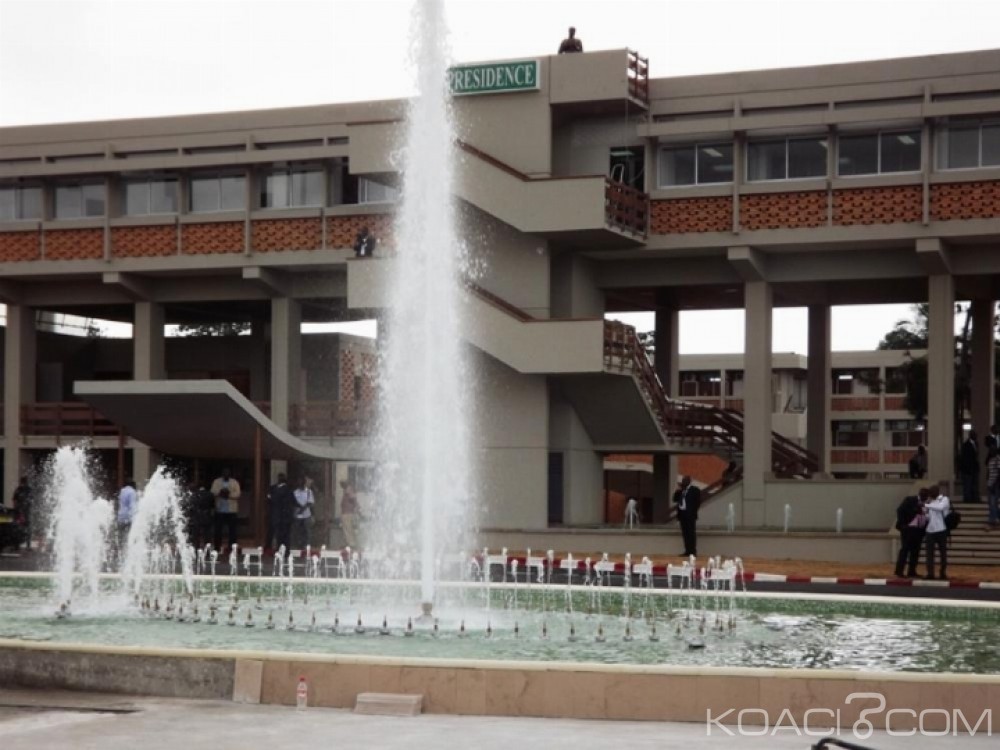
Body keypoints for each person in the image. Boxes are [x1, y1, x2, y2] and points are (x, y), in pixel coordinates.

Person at [894, 487, 928, 578]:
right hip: (908, 529)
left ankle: (912, 571)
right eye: (923, 495)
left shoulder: (926, 504)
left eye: (925, 496)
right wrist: (903, 524)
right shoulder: (910, 500)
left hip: (919, 530)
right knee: (905, 550)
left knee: (915, 551)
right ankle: (899, 571)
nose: (924, 497)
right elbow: (900, 510)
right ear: (920, 494)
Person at [924, 480, 952, 580]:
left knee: (943, 553)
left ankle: (942, 573)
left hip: (941, 529)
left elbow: (940, 508)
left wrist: (926, 505)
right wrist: (925, 512)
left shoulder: (944, 499)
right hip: (930, 530)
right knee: (929, 554)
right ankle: (930, 573)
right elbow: (928, 517)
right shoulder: (930, 502)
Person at [211, 467, 241, 552]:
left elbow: (238, 494)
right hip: (219, 510)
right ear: (222, 473)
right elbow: (212, 491)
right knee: (218, 530)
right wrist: (220, 492)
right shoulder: (216, 481)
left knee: (232, 531)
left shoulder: (234, 482)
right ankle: (217, 548)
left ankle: (232, 548)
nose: (226, 474)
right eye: (224, 472)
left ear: (230, 474)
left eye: (227, 472)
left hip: (231, 511)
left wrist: (228, 494)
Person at [672, 475, 700, 557]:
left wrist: (693, 511)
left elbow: (697, 502)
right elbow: (674, 499)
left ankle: (693, 551)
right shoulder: (681, 490)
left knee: (691, 533)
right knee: (685, 533)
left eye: (685, 480)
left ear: (689, 481)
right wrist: (678, 490)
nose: (683, 482)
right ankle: (687, 551)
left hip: (690, 515)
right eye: (683, 480)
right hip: (682, 515)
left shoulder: (694, 490)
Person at [266, 473, 295, 551]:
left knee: (280, 535)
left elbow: (274, 500)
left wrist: (270, 497)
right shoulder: (289, 489)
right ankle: (285, 551)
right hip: (285, 516)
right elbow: (294, 502)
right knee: (285, 536)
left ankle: (280, 550)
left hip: (279, 516)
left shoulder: (279, 490)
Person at [186, 481, 216, 550]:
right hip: (207, 515)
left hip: (196, 516)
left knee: (196, 535)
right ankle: (207, 549)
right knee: (207, 534)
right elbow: (212, 506)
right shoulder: (210, 494)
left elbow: (191, 506)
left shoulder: (194, 494)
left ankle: (196, 548)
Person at [10, 476, 33, 551]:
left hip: (24, 512)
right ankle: (18, 546)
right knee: (18, 528)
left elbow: (15, 500)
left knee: (25, 528)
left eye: (22, 482)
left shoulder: (27, 490)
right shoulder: (19, 489)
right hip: (20, 512)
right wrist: (16, 509)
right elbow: (14, 500)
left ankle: (26, 545)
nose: (22, 484)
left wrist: (17, 509)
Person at [292, 476, 315, 549]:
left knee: (307, 531)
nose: (300, 484)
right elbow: (293, 503)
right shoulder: (295, 492)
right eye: (299, 483)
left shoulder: (309, 492)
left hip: (306, 515)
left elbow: (310, 503)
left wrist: (303, 509)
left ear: (304, 483)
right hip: (297, 515)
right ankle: (299, 545)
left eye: (302, 483)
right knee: (298, 531)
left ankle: (307, 545)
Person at [117, 479, 138, 552]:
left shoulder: (122, 491)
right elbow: (133, 506)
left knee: (121, 537)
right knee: (129, 537)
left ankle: (121, 551)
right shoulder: (132, 492)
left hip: (120, 517)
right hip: (128, 518)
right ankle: (128, 552)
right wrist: (135, 518)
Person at [960, 430, 980, 503]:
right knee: (967, 485)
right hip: (967, 469)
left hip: (974, 468)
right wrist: (967, 468)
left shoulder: (976, 444)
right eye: (974, 435)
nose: (976, 436)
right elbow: (965, 458)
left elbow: (976, 456)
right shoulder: (966, 445)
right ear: (971, 435)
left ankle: (974, 498)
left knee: (974, 484)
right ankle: (967, 499)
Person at [340, 480, 358, 549]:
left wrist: (356, 507)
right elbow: (341, 483)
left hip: (347, 513)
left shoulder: (349, 491)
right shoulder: (347, 491)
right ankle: (349, 543)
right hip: (346, 513)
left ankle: (351, 544)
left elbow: (353, 499)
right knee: (346, 529)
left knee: (348, 529)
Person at [987, 447, 1000, 529]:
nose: (991, 451)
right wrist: (988, 483)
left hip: (995, 485)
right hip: (990, 484)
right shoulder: (990, 460)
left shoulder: (998, 459)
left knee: (993, 503)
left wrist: (995, 484)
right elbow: (989, 472)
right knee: (991, 503)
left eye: (992, 450)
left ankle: (992, 521)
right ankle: (996, 518)